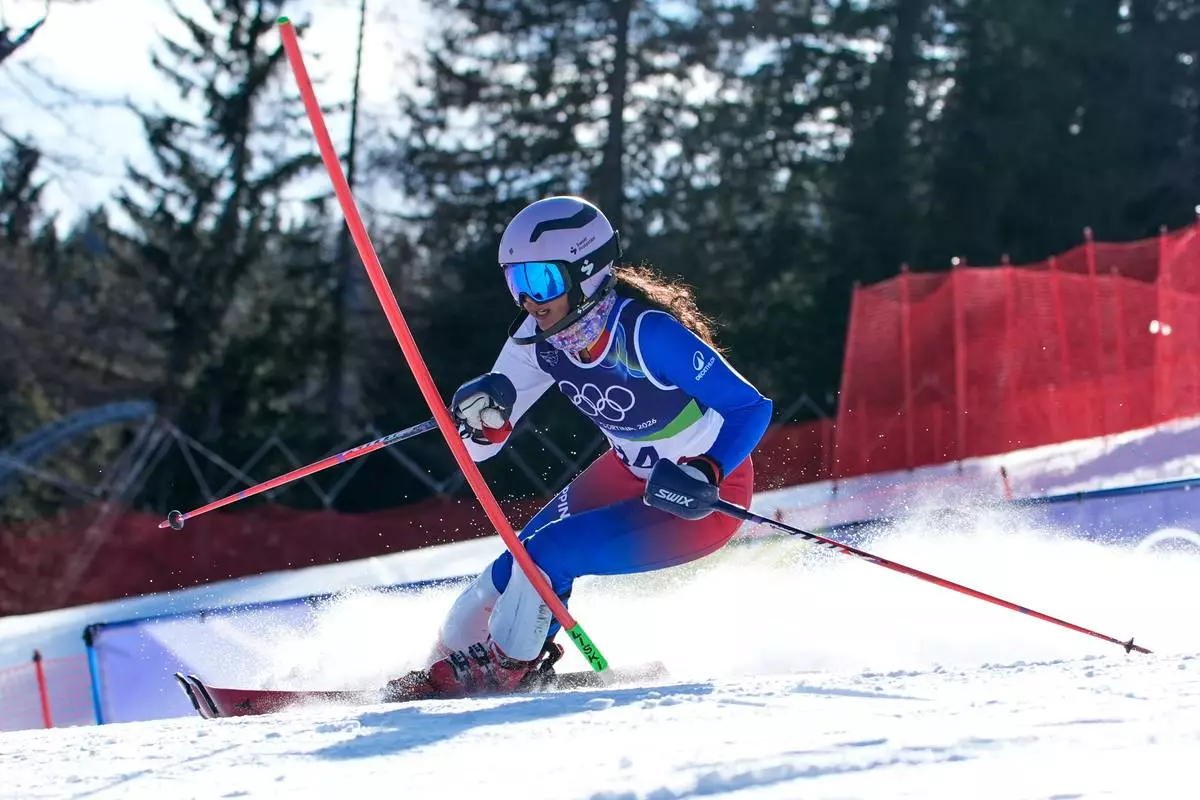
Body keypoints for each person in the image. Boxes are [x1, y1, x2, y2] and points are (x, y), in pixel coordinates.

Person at [416, 195, 773, 698]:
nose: (528, 299)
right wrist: (483, 426)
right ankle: (437, 670)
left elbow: (751, 407)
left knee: (545, 556)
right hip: (627, 472)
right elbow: (481, 452)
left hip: (702, 496)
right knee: (496, 580)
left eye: (541, 280)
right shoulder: (534, 340)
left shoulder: (647, 335)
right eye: (516, 282)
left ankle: (507, 668)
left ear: (584, 272)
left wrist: (708, 470)